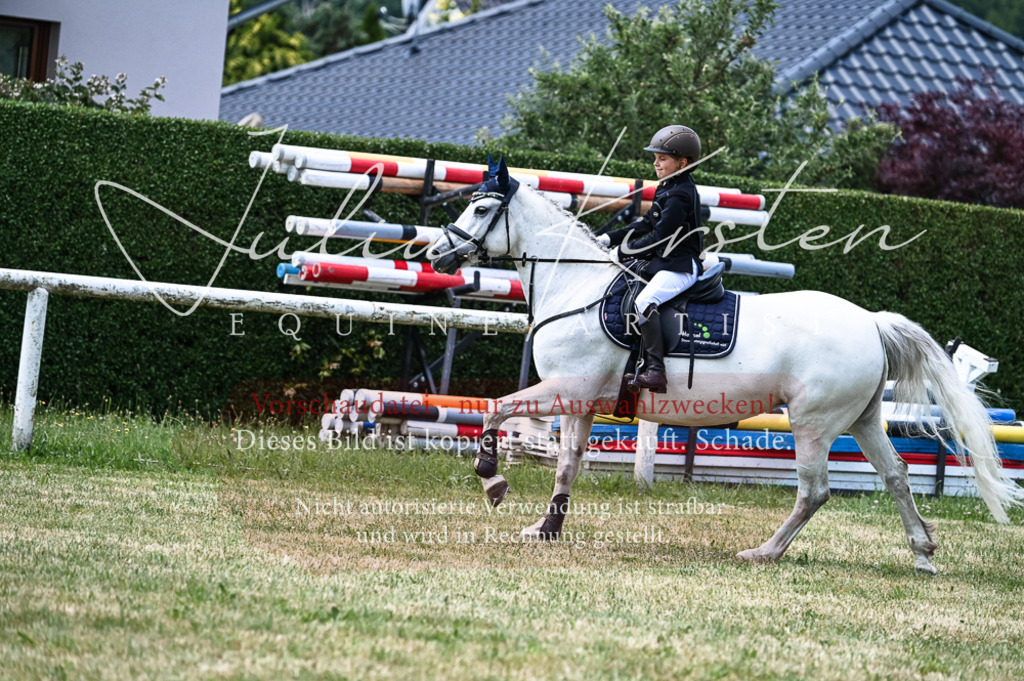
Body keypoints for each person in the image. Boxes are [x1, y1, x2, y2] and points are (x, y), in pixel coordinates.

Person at [603, 125, 703, 393]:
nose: (655, 163)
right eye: (656, 157)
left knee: (645, 301)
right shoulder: (668, 186)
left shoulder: (682, 193)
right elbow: (647, 223)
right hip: (665, 262)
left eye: (662, 158)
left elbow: (660, 237)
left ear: (681, 163)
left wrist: (623, 252)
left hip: (681, 266)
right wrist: (609, 239)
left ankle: (657, 371)